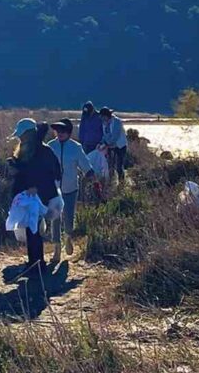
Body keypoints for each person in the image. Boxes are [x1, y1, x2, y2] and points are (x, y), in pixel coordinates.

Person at [8, 118, 61, 276]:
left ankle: (37, 265)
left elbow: (52, 174)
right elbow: (26, 172)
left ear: (28, 134)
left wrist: (36, 188)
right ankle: (35, 263)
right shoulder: (28, 149)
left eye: (22, 134)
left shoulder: (43, 151)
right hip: (30, 196)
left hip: (39, 196)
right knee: (32, 230)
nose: (20, 138)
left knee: (34, 230)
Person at [47, 118, 93, 261]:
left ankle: (68, 237)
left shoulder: (75, 147)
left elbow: (84, 163)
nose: (59, 133)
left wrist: (90, 173)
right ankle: (56, 248)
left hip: (70, 188)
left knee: (68, 217)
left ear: (68, 132)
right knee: (54, 217)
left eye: (63, 131)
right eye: (57, 131)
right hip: (53, 189)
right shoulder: (49, 146)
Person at [100, 107, 127, 184]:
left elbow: (115, 136)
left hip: (120, 146)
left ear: (106, 115)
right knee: (110, 165)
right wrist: (101, 142)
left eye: (102, 116)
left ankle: (122, 183)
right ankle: (111, 183)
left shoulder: (117, 122)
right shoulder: (104, 123)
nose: (101, 118)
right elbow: (105, 135)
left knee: (119, 166)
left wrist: (106, 144)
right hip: (111, 147)